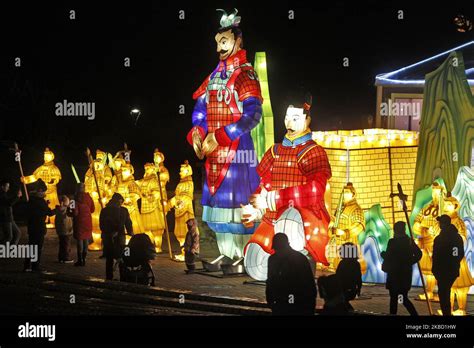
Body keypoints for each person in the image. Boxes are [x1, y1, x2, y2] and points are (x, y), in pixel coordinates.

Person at [265, 233, 317, 315]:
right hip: (282, 302)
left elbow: (307, 284)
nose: (277, 252)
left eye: (278, 249)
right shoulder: (273, 259)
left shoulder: (298, 259)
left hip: (296, 303)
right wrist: (270, 299)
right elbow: (270, 281)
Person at [381, 221, 421, 316]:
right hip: (405, 274)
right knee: (402, 297)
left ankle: (395, 314)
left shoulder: (392, 242)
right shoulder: (409, 241)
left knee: (395, 298)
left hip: (394, 274)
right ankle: (414, 314)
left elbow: (389, 256)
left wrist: (383, 255)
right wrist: (409, 262)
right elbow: (419, 254)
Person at [432, 214, 464, 316]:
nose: (440, 225)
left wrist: (451, 262)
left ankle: (446, 313)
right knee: (444, 293)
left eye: (441, 223)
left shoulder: (452, 238)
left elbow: (457, 253)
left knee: (444, 293)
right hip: (444, 270)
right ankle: (446, 312)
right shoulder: (442, 238)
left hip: (446, 270)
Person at [100, 193, 134, 280]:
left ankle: (116, 277)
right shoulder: (109, 211)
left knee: (115, 257)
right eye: (119, 202)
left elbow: (128, 222)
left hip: (115, 237)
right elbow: (102, 224)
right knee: (115, 257)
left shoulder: (121, 210)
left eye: (121, 202)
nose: (120, 204)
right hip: (114, 237)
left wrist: (130, 231)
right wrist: (130, 232)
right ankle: (116, 277)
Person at [24, 179, 54, 272]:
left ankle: (27, 265)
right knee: (37, 247)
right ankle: (35, 266)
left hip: (32, 226)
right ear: (40, 190)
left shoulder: (31, 200)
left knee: (31, 246)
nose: (44, 193)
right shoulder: (40, 201)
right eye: (44, 191)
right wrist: (58, 209)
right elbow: (49, 212)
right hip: (39, 227)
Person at [72, 183, 95, 266]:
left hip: (79, 222)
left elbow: (74, 213)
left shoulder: (74, 200)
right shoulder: (89, 197)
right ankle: (84, 259)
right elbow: (92, 209)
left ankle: (80, 260)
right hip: (88, 221)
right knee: (86, 239)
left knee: (80, 240)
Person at [335, 242, 362, 311]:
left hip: (342, 289)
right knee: (344, 303)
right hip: (351, 289)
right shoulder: (356, 264)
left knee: (342, 303)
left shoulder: (342, 263)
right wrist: (358, 288)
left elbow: (337, 276)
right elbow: (359, 277)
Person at [0, 179, 22, 245]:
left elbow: (9, 201)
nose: (8, 188)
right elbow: (8, 203)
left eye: (8, 186)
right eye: (7, 186)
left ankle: (11, 250)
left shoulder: (4, 194)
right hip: (5, 219)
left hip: (9, 218)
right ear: (2, 186)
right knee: (8, 237)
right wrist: (17, 196)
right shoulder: (1, 194)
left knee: (18, 233)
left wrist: (17, 196)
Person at [55, 195, 74, 263]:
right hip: (66, 230)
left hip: (60, 230)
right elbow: (67, 220)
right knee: (66, 244)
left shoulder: (59, 209)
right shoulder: (65, 210)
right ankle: (66, 258)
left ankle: (61, 257)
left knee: (62, 244)